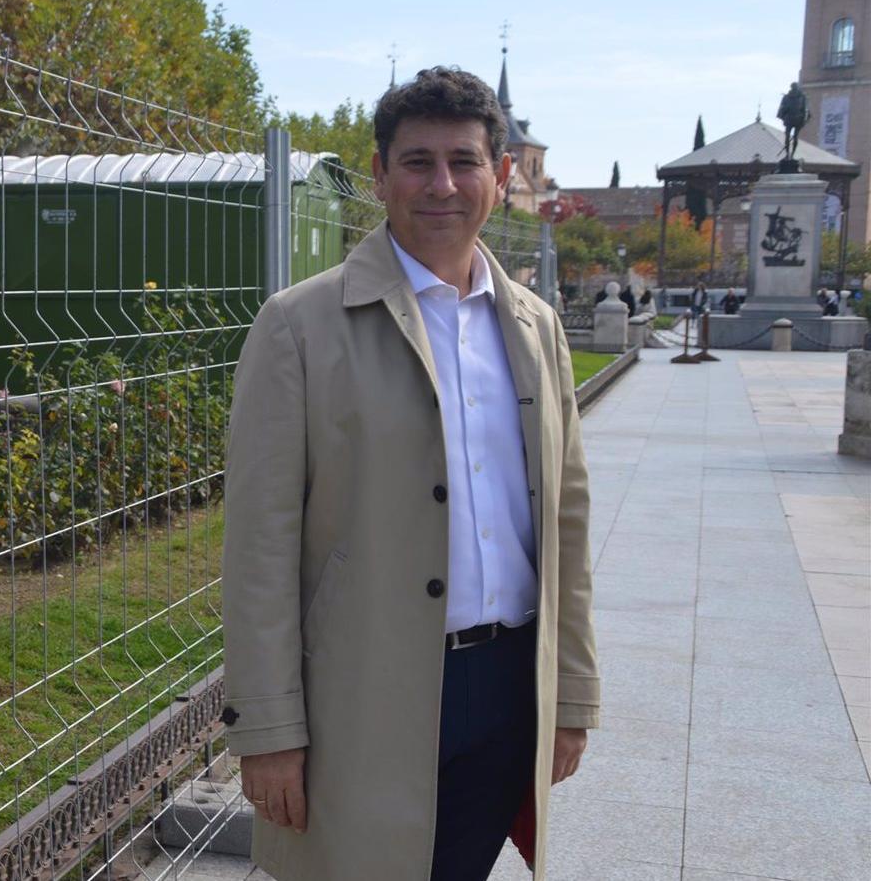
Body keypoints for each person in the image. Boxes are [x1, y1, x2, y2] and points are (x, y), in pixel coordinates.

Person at [222, 67, 598, 881]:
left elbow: (565, 520)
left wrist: (570, 697)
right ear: (380, 173)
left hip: (505, 690)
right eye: (417, 161)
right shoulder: (299, 329)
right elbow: (259, 550)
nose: (442, 185)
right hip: (362, 696)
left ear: (502, 175)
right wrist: (268, 730)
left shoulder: (536, 328)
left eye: (463, 161)